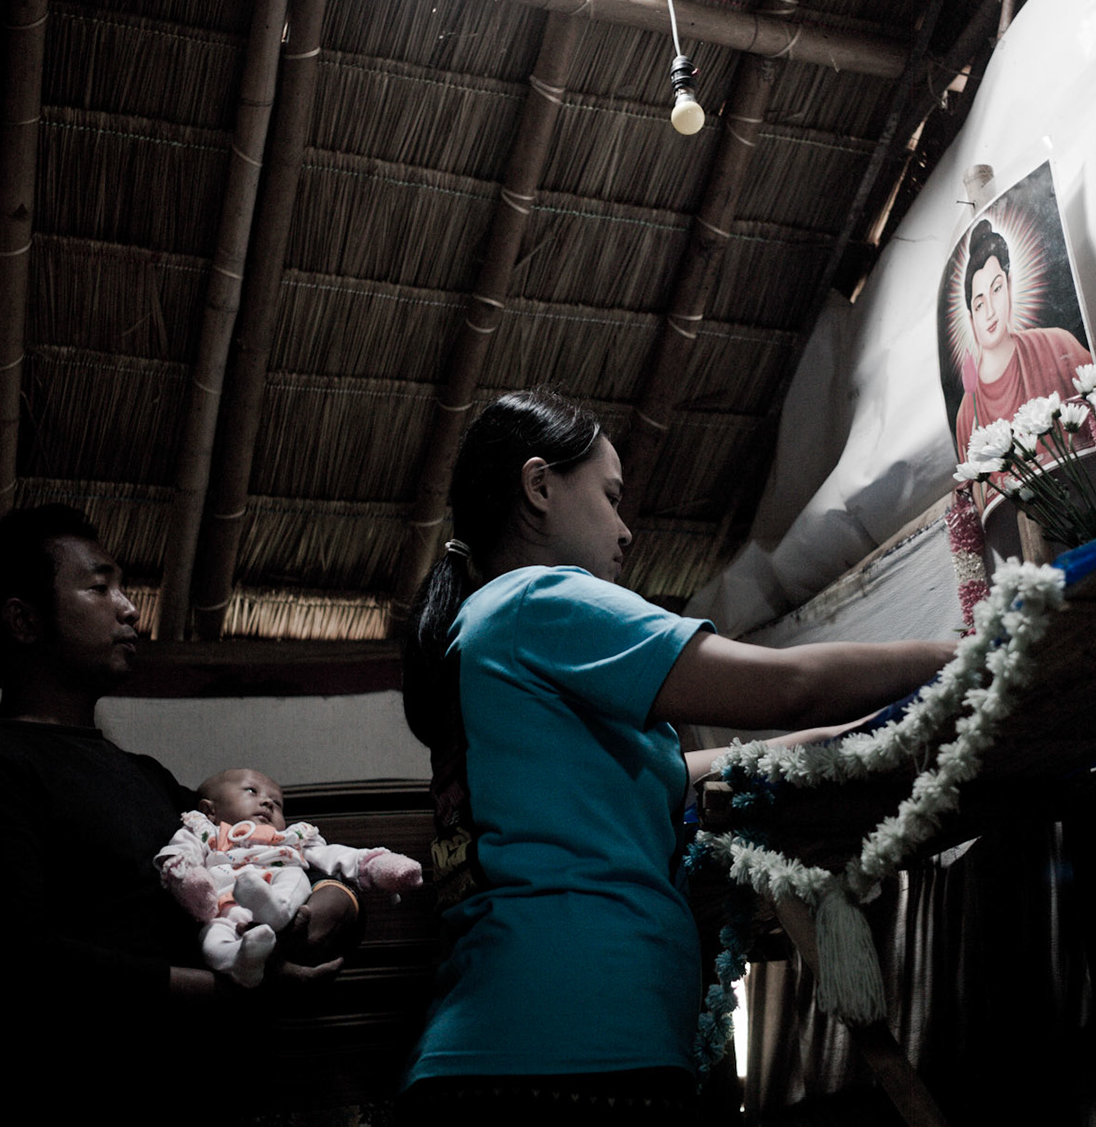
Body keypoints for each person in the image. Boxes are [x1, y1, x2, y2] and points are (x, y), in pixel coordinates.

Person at [394, 390, 954, 1124]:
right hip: (571, 1051)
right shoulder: (540, 598)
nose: (625, 530)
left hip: (508, 1047)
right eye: (611, 496)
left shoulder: (485, 631)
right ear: (539, 487)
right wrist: (952, 653)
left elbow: (698, 768)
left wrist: (867, 727)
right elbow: (787, 686)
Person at [0, 506, 358, 1122]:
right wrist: (229, 996)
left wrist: (327, 904)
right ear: (23, 620)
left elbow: (270, 858)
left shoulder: (149, 779)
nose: (129, 608)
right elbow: (15, 960)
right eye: (99, 587)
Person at [157, 766, 422, 986]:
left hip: (280, 894)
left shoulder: (288, 839)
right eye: (251, 791)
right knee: (211, 941)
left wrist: (377, 866)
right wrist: (192, 883)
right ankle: (242, 960)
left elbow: (335, 855)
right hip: (225, 908)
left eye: (278, 803)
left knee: (294, 873)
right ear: (209, 811)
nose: (268, 801)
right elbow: (180, 857)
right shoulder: (203, 832)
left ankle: (275, 910)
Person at [950, 218, 1094, 462]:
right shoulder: (967, 415)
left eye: (996, 290)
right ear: (971, 317)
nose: (990, 312)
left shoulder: (1058, 346)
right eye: (979, 304)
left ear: (1009, 285)